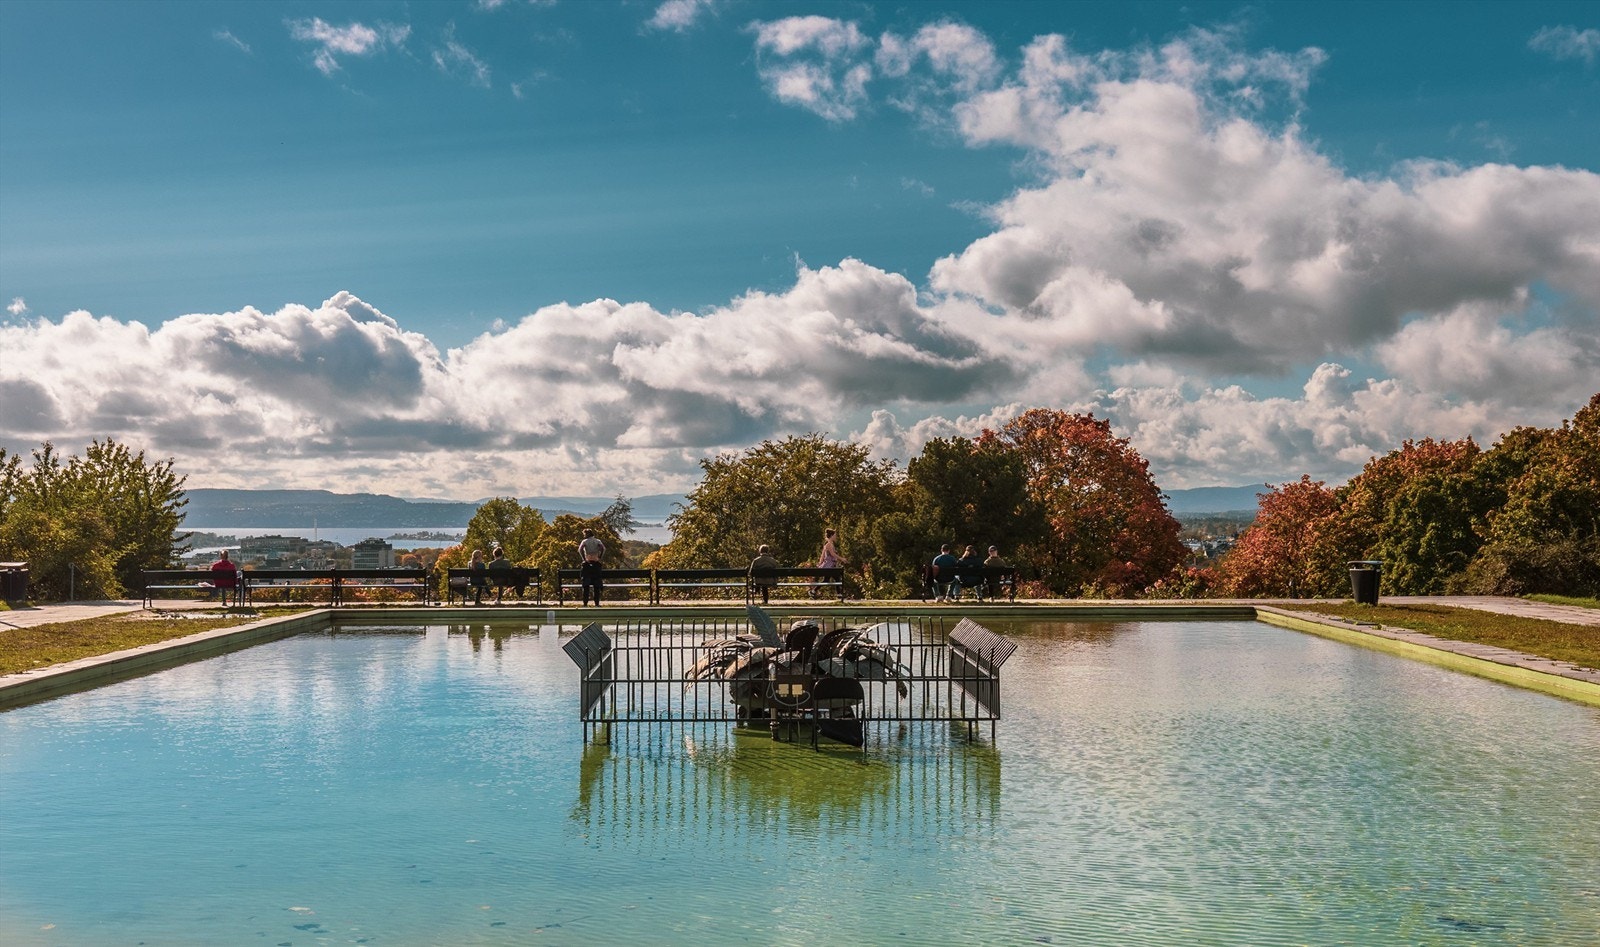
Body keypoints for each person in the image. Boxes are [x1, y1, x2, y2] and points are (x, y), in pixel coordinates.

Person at [577, 528, 605, 606]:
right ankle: (597, 603)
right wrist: (599, 557)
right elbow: (603, 548)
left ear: (586, 534)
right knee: (597, 585)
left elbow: (580, 549)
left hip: (587, 563)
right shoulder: (598, 541)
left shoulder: (585, 541)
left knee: (586, 585)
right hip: (596, 563)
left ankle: (585, 603)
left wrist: (584, 559)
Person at [812, 528, 843, 598]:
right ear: (831, 536)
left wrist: (820, 563)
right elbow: (833, 554)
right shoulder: (829, 545)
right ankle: (839, 594)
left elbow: (822, 555)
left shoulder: (828, 544)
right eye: (835, 535)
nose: (836, 537)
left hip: (829, 565)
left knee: (826, 580)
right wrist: (842, 559)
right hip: (829, 566)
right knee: (837, 578)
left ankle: (813, 591)